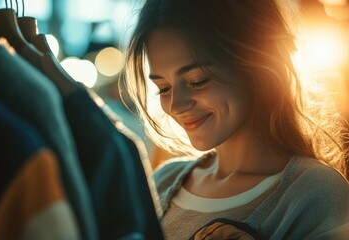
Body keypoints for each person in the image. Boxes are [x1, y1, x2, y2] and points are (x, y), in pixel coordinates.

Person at [122, 0, 349, 239]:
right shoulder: (162, 182)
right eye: (163, 87)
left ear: (259, 65)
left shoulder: (315, 193)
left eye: (198, 80)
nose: (176, 106)